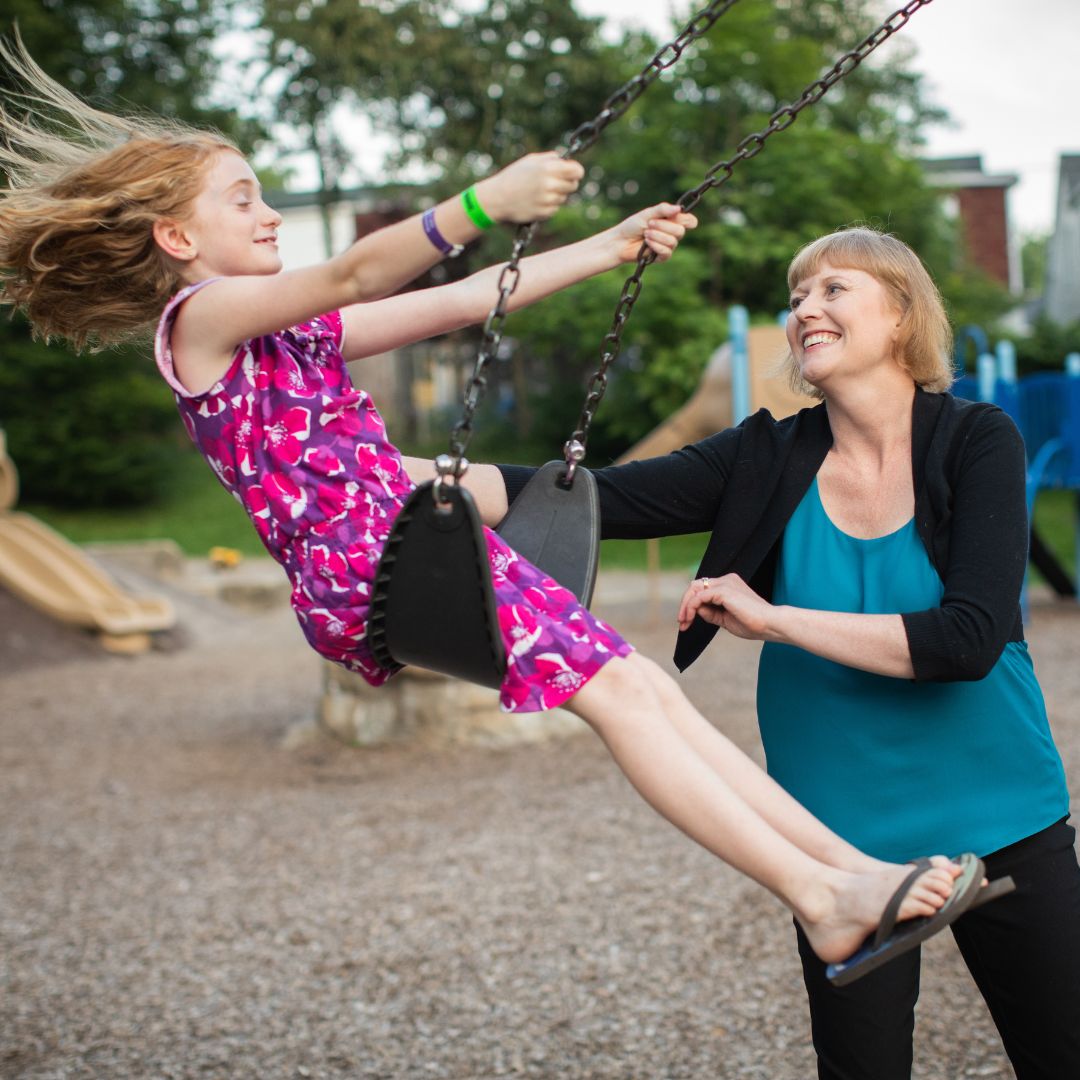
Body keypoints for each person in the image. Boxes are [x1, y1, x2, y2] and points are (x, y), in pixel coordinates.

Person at [0, 38, 982, 986]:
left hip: (423, 548)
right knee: (623, 696)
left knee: (641, 688)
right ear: (176, 238)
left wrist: (609, 247)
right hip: (389, 572)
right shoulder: (199, 322)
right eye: (243, 198)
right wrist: (480, 202)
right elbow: (354, 270)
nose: (266, 215)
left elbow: (467, 300)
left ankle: (851, 874)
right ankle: (822, 897)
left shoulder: (295, 337)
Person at [472, 226, 1080, 1078]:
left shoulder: (977, 440)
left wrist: (777, 617)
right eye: (798, 295)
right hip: (839, 844)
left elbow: (968, 640)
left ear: (901, 315)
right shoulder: (766, 455)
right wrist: (385, 477)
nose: (806, 308)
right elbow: (588, 494)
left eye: (835, 289)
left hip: (1003, 813)